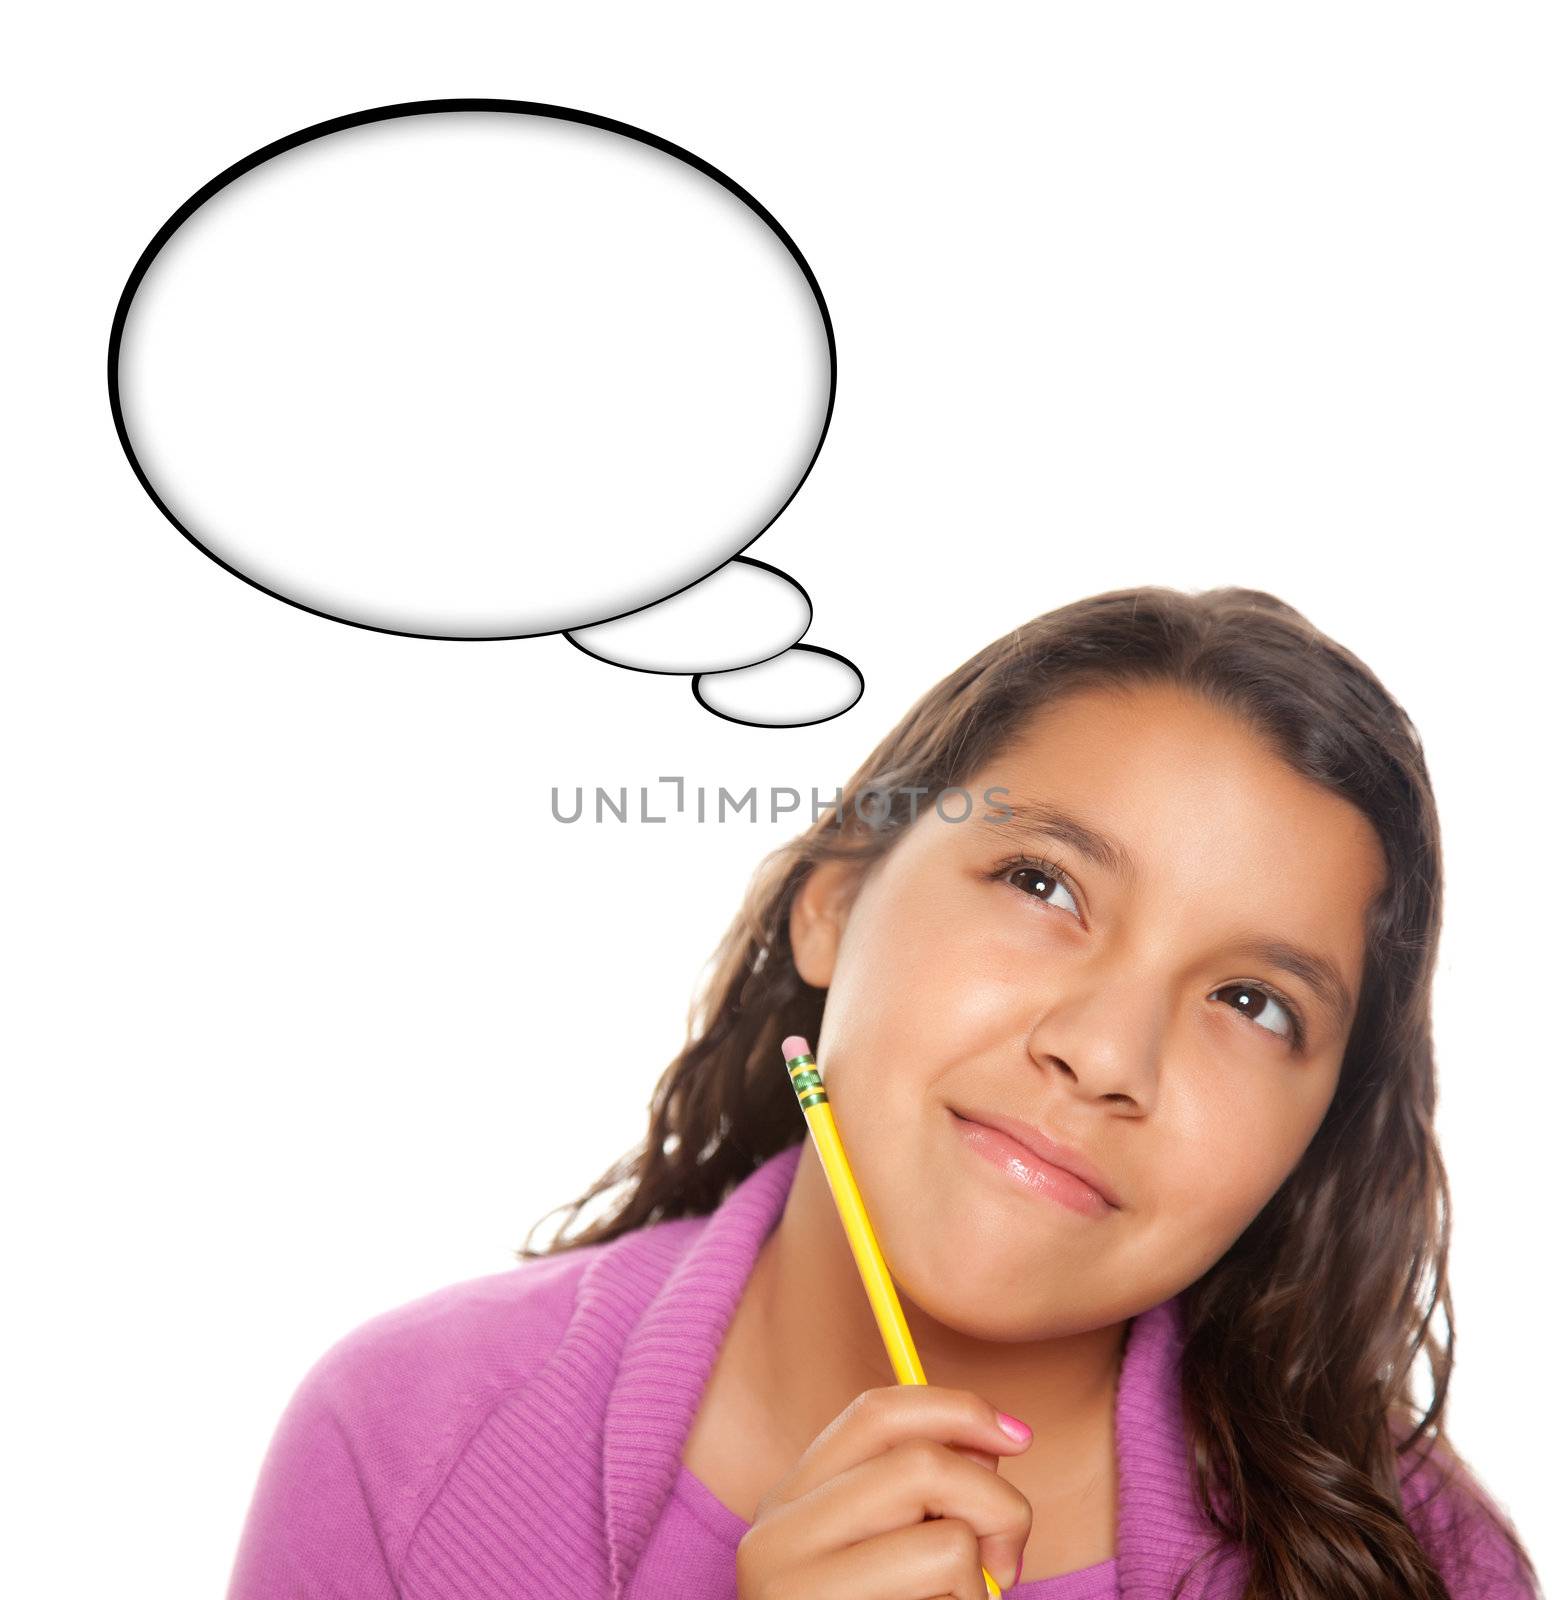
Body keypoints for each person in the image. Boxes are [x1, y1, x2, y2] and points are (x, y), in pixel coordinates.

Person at [226, 585, 1543, 1598]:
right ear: (836, 899)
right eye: (1045, 887)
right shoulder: (403, 1445)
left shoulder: (1426, 1566)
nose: (1104, 1054)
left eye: (1252, 1003)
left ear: (1316, 1133)